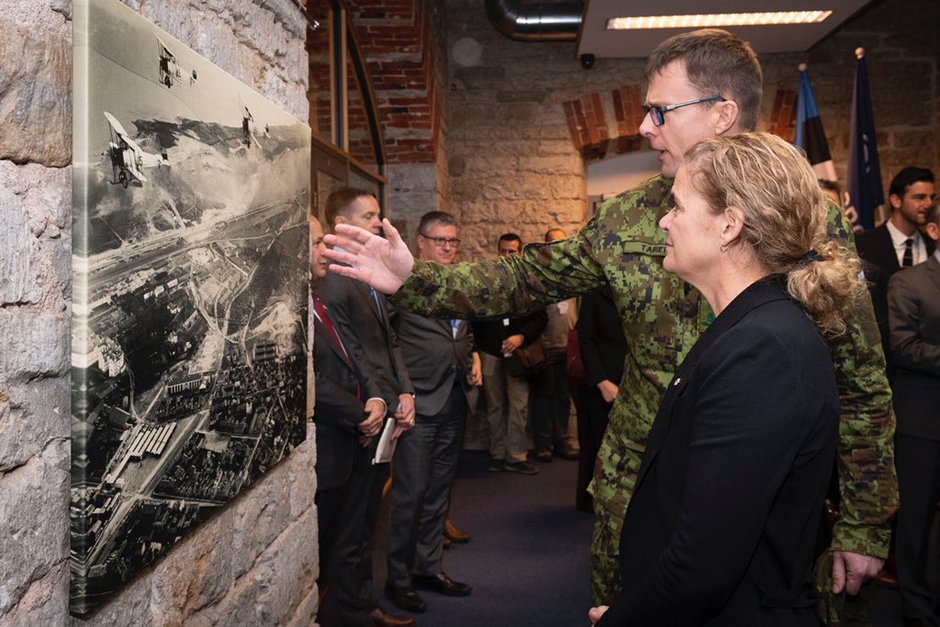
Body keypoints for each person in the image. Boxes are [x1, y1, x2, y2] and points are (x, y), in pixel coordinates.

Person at [322, 28, 897, 607]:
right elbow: (527, 277)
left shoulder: (804, 216)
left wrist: (866, 521)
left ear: (722, 113)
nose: (646, 126)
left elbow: (860, 378)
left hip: (756, 489)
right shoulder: (632, 214)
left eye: (659, 111)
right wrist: (411, 278)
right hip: (638, 478)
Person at [586, 132, 862, 624]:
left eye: (677, 207)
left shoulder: (763, 350)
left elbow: (704, 561)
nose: (663, 221)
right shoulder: (750, 326)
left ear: (729, 226)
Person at [318, 188, 417, 627]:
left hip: (381, 405)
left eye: (379, 214)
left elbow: (388, 340)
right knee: (354, 525)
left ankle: (363, 605)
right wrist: (378, 402)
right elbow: (352, 353)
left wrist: (404, 392)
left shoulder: (367, 273)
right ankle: (354, 609)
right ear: (342, 221)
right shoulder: (335, 279)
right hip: (357, 414)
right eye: (370, 215)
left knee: (367, 519)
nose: (379, 222)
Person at [384, 211, 479, 613]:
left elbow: (461, 330)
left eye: (453, 241)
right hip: (418, 405)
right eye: (439, 240)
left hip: (454, 399)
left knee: (440, 491)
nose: (447, 247)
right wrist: (402, 390)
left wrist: (471, 352)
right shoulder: (402, 283)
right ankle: (398, 579)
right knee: (411, 495)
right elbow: (388, 342)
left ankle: (429, 567)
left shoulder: (460, 283)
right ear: (419, 242)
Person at [887, 202, 940, 627]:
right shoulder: (909, 282)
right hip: (923, 424)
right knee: (915, 523)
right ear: (935, 230)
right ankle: (917, 611)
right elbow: (902, 348)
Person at [471, 233, 547, 475]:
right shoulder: (486, 280)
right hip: (490, 352)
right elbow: (475, 317)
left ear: (520, 253)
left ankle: (516, 456)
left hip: (518, 354)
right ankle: (497, 454)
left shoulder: (530, 282)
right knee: (494, 407)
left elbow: (540, 318)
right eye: (503, 251)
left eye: (511, 252)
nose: (506, 256)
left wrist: (520, 337)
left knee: (519, 406)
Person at [855, 167, 936, 379]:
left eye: (931, 197)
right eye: (919, 197)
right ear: (896, 200)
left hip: (925, 371)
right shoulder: (863, 243)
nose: (927, 204)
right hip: (877, 366)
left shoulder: (933, 246)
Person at [532, 227, 579, 462]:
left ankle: (563, 442)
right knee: (542, 398)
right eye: (552, 243)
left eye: (561, 243)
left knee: (563, 398)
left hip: (567, 349)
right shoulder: (540, 275)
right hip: (544, 347)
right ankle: (543, 445)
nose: (557, 247)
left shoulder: (575, 276)